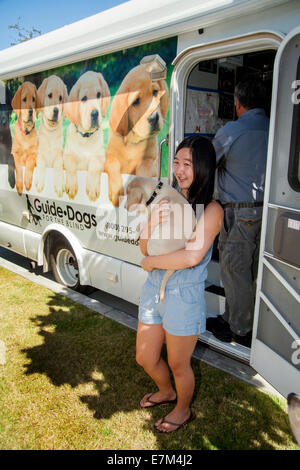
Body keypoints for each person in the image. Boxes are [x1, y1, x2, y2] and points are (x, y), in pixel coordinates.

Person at [136, 135, 223, 433]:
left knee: (178, 364)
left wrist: (150, 264)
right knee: (145, 356)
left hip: (183, 295)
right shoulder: (167, 198)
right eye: (176, 162)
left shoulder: (212, 210)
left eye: (188, 164)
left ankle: (182, 409)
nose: (179, 170)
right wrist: (150, 224)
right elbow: (144, 247)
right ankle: (166, 391)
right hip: (154, 289)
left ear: (203, 168)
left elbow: (191, 256)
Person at [208, 78, 270, 347]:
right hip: (266, 211)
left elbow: (209, 159)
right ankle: (232, 317)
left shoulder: (233, 129)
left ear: (237, 103)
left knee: (234, 272)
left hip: (239, 213)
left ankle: (239, 330)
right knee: (251, 273)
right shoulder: (274, 125)